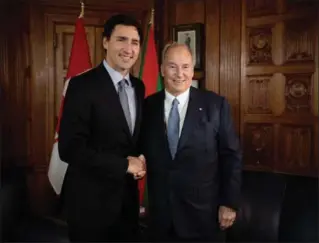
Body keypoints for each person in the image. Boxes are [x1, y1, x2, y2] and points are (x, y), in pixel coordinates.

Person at [140, 43, 242, 241]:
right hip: (161, 219)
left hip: (203, 217)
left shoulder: (215, 105)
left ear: (192, 70)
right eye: (172, 66)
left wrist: (229, 203)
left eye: (185, 66)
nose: (180, 74)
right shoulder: (147, 106)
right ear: (161, 69)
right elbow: (140, 151)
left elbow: (232, 155)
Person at [58, 14, 146, 242]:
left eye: (134, 42)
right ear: (105, 42)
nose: (129, 49)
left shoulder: (138, 86)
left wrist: (142, 159)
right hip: (90, 206)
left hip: (127, 205)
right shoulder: (81, 85)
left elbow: (129, 139)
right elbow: (70, 148)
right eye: (121, 40)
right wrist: (124, 165)